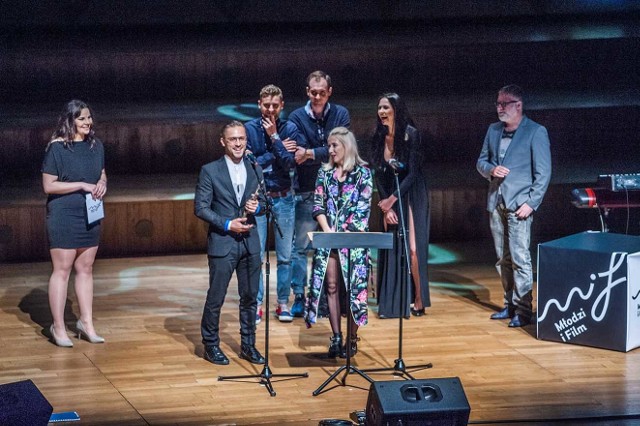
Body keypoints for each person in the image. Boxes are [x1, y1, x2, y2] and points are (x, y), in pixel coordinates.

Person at [476, 84, 552, 328]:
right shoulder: (493, 130)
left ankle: (523, 309)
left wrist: (532, 203)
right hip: (496, 201)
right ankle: (509, 304)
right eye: (497, 103)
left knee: (520, 257)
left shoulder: (536, 132)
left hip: (520, 204)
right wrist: (491, 170)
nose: (499, 108)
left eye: (504, 104)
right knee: (502, 258)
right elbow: (481, 161)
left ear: (518, 105)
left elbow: (543, 173)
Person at [194, 121, 266, 365]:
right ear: (222, 142)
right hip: (223, 242)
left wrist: (259, 207)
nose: (238, 143)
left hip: (249, 242)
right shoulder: (210, 170)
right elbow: (201, 208)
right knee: (216, 297)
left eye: (242, 138)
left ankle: (248, 345)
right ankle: (210, 345)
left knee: (250, 297)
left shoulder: (255, 167)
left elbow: (266, 203)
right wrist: (227, 224)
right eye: (233, 139)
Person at [42, 99, 107, 347]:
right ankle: (58, 327)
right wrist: (81, 184)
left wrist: (102, 184)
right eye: (82, 118)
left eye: (89, 118)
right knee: (63, 269)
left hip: (90, 212)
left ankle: (86, 323)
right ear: (70, 121)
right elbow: (49, 186)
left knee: (86, 267)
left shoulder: (96, 145)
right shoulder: (57, 148)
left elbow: (101, 173)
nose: (88, 122)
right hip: (64, 213)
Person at [304, 127, 372, 358]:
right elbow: (318, 205)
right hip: (329, 238)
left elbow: (363, 209)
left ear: (347, 147)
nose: (330, 150)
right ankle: (336, 336)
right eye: (329, 145)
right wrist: (327, 231)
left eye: (335, 146)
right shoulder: (324, 173)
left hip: (353, 240)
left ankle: (352, 338)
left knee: (353, 290)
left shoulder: (363, 174)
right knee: (331, 287)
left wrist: (344, 232)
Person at [288, 70, 351, 319]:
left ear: (329, 92)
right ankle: (300, 297)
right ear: (307, 92)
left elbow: (342, 149)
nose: (317, 97)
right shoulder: (295, 117)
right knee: (300, 247)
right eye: (313, 93)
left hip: (336, 191)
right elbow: (298, 155)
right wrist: (325, 151)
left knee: (332, 246)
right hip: (306, 190)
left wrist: (312, 153)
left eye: (321, 93)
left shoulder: (341, 113)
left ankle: (328, 299)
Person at [245, 84, 303, 323]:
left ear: (282, 105)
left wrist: (274, 138)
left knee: (285, 255)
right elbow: (251, 164)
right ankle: (257, 304)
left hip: (284, 198)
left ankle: (282, 304)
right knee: (257, 256)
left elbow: (290, 164)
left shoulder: (290, 128)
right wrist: (276, 151)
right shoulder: (248, 129)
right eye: (266, 105)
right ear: (259, 104)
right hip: (258, 198)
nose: (270, 110)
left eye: (275, 106)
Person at [370, 93, 431, 319]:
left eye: (386, 107)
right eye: (379, 108)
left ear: (396, 109)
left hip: (412, 193)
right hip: (389, 195)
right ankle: (393, 300)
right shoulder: (378, 136)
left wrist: (392, 200)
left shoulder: (411, 135)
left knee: (413, 249)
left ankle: (418, 297)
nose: (382, 112)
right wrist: (386, 207)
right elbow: (378, 174)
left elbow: (413, 173)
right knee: (393, 246)